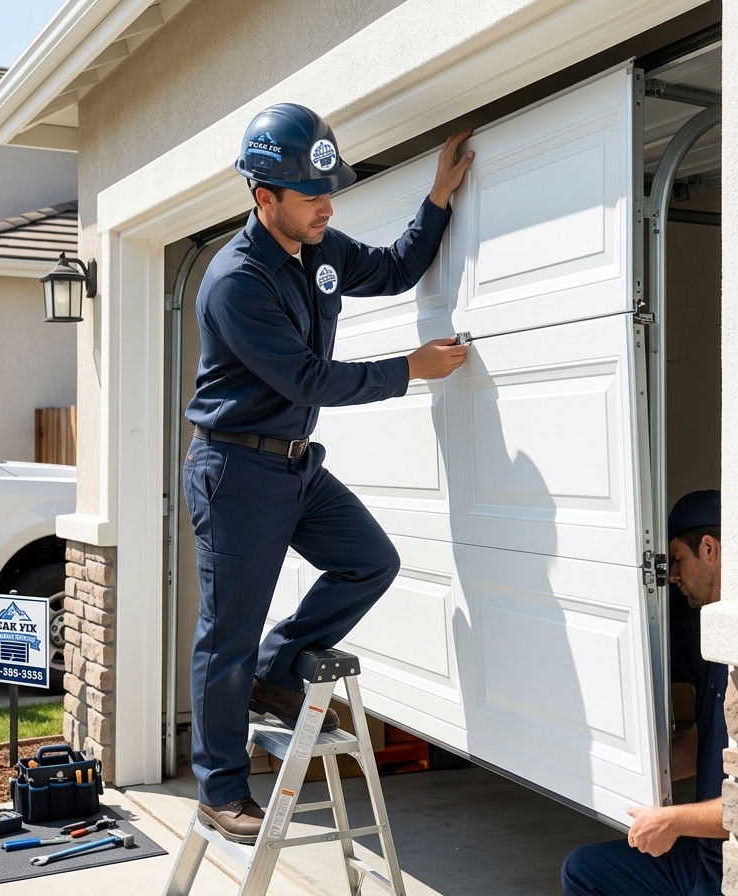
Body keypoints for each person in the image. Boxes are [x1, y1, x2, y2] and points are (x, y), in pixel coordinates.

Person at [184, 103, 473, 843]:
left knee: (369, 561)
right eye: (311, 196)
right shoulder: (235, 282)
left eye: (329, 191)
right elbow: (308, 380)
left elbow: (398, 266)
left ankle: (277, 671)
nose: (327, 206)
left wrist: (437, 199)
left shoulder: (319, 249)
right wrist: (410, 369)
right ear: (264, 198)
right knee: (227, 634)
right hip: (236, 468)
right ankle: (219, 790)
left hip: (293, 467)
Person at [562, 489, 728, 896]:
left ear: (709, 549)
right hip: (705, 857)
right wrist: (623, 770)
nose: (670, 576)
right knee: (584, 869)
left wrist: (672, 821)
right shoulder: (715, 639)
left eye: (676, 559)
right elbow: (702, 742)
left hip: (734, 865)